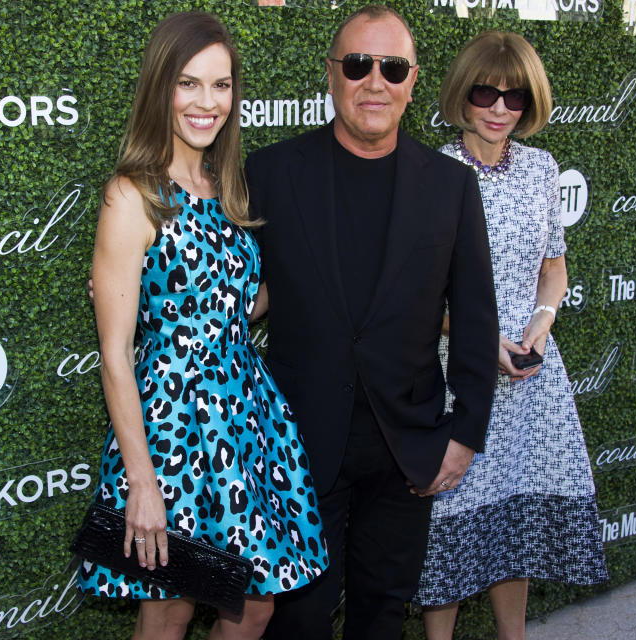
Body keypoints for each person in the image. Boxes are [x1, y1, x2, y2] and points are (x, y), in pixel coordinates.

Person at [246, 5, 500, 639]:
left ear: (413, 81)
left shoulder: (450, 186)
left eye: (392, 67)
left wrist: (466, 434)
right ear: (331, 75)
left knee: (382, 614)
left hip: (405, 447)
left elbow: (474, 317)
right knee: (297, 619)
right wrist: (139, 285)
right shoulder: (271, 172)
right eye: (358, 65)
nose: (374, 82)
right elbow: (225, 279)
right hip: (295, 445)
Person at [76, 11, 329, 640]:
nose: (206, 102)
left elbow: (233, 303)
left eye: (221, 86)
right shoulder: (131, 195)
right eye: (189, 84)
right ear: (161, 87)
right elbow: (114, 355)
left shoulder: (224, 186)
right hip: (173, 432)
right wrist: (142, 483)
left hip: (244, 418)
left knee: (253, 605)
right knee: (172, 609)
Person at [413, 31, 608, 640]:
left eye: (515, 97)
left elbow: (554, 266)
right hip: (456, 374)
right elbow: (419, 292)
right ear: (460, 95)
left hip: (530, 376)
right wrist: (479, 340)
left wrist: (541, 328)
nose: (499, 108)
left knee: (516, 520)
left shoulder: (542, 169)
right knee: (451, 521)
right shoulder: (431, 172)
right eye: (484, 92)